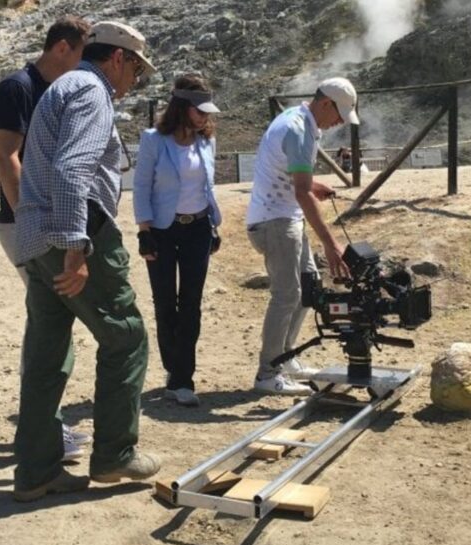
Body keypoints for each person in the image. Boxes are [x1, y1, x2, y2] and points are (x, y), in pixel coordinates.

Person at [11, 21, 160, 502]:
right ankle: (115, 455)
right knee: (126, 338)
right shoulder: (91, 91)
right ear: (117, 58)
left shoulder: (62, 87)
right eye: (135, 68)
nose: (134, 79)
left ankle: (36, 471)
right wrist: (77, 249)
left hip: (35, 239)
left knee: (47, 354)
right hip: (75, 235)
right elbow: (73, 170)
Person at [0, 15, 92, 461]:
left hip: (44, 221)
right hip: (26, 224)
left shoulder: (57, 91)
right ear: (64, 48)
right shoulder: (18, 88)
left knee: (49, 323)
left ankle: (44, 429)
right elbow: (5, 156)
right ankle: (44, 433)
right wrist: (29, 217)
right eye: (84, 55)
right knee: (49, 327)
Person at [245, 77, 358, 395]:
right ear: (325, 104)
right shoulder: (298, 130)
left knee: (308, 287)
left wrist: (313, 185)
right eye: (339, 114)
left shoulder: (302, 122)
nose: (339, 122)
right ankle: (267, 374)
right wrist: (331, 243)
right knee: (287, 295)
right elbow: (301, 191)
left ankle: (286, 357)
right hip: (275, 221)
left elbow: (295, 179)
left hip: (285, 218)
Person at [133, 74, 222, 408]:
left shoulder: (207, 141)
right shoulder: (154, 140)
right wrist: (144, 231)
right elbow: (141, 186)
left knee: (192, 304)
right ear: (182, 107)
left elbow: (207, 187)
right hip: (162, 230)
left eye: (207, 112)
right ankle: (174, 371)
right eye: (199, 111)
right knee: (164, 302)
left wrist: (214, 225)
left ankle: (183, 377)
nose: (205, 117)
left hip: (199, 227)